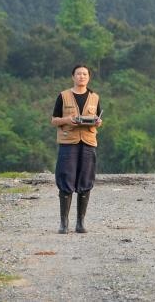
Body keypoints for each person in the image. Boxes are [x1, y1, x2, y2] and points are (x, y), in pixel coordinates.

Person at [51, 64, 103, 233]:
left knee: (86, 180)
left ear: (89, 77)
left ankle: (80, 223)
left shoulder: (95, 97)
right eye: (79, 74)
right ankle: (64, 223)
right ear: (73, 77)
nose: (82, 76)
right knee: (65, 179)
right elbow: (54, 120)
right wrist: (67, 120)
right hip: (68, 142)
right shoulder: (63, 96)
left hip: (88, 142)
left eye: (85, 74)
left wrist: (98, 122)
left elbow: (98, 119)